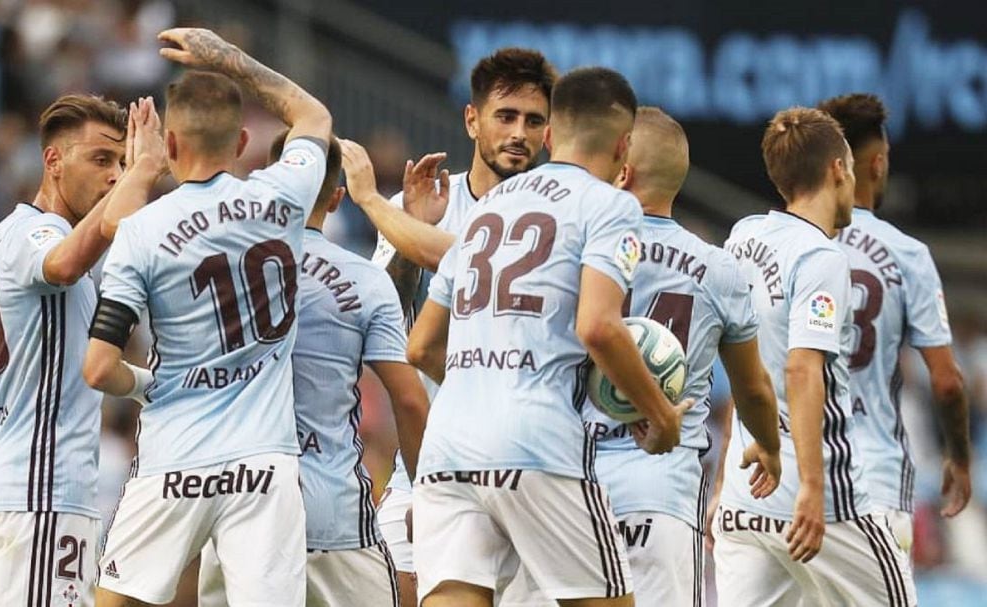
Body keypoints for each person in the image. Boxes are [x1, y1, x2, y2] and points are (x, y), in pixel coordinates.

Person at [405, 66, 691, 607]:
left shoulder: (486, 211)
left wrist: (485, 375)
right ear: (624, 147)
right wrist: (659, 413)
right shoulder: (610, 205)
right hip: (538, 444)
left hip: (448, 447)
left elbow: (419, 346)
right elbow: (599, 327)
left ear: (552, 135)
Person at [81, 28, 331, 606]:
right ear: (243, 139)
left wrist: (151, 384)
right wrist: (232, 60)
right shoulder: (284, 196)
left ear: (168, 144)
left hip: (177, 458)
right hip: (265, 465)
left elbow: (98, 368)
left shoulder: (140, 232)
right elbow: (313, 115)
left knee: (116, 600)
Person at [499, 106, 782, 607]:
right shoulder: (720, 270)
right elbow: (754, 387)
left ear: (622, 170)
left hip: (563, 483)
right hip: (661, 491)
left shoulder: (570, 250)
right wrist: (768, 446)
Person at [349, 47, 556, 607]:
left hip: (527, 466)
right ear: (472, 120)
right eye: (505, 116)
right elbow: (380, 316)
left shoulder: (562, 218)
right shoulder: (416, 205)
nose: (518, 133)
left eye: (533, 121)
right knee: (393, 590)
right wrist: (412, 240)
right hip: (432, 458)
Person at [196, 132, 430, 607]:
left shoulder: (216, 268)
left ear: (272, 179)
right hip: (333, 513)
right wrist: (429, 496)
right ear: (338, 196)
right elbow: (407, 398)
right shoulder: (365, 281)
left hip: (236, 504)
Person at [0, 92, 165, 607]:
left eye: (121, 162)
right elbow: (62, 265)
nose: (114, 176)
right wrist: (146, 168)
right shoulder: (37, 232)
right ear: (53, 161)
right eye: (102, 160)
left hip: (35, 490)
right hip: (41, 493)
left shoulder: (8, 239)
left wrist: (154, 386)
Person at [714, 107, 915, 606]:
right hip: (819, 493)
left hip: (745, 495)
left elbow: (744, 362)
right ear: (838, 170)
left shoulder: (744, 237)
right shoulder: (821, 257)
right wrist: (811, 487)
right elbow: (802, 369)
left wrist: (721, 477)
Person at [818, 93, 971, 552]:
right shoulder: (907, 255)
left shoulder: (768, 242)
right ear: (878, 163)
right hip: (872, 479)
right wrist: (958, 458)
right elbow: (946, 382)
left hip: (783, 483)